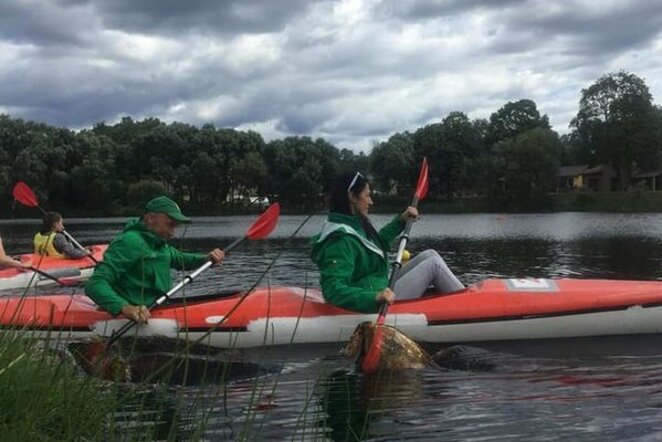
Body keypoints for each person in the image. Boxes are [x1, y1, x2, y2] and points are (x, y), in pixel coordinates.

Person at [311, 171, 464, 313]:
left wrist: (400, 222)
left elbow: (376, 246)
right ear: (352, 197)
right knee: (433, 266)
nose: (371, 201)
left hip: (378, 285)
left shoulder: (354, 224)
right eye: (367, 195)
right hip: (375, 301)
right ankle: (470, 304)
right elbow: (332, 289)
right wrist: (375, 297)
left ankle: (464, 295)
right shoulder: (339, 240)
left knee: (430, 255)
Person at [85, 196, 224, 324]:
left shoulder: (158, 243)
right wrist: (125, 308)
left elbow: (181, 259)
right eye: (170, 225)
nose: (172, 233)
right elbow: (95, 284)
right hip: (131, 315)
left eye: (175, 227)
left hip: (158, 307)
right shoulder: (129, 242)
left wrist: (206, 258)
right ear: (150, 218)